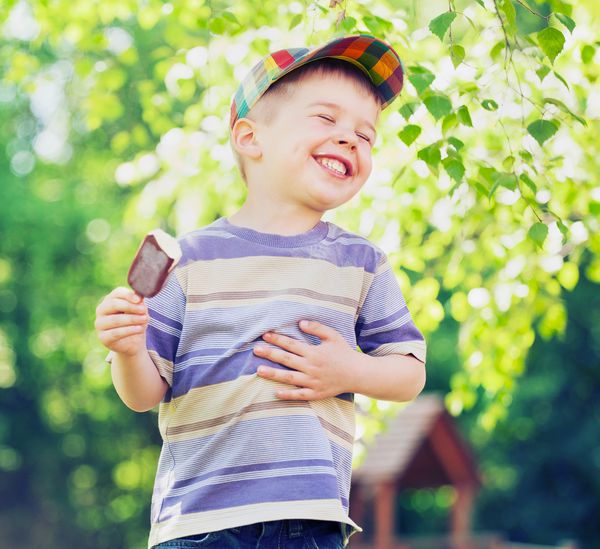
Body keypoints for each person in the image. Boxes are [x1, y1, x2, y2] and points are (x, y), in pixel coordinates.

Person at [95, 34, 427, 549]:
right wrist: (128, 347)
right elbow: (142, 395)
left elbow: (409, 372)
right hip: (198, 523)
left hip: (310, 518)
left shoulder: (362, 262)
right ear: (251, 138)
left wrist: (350, 371)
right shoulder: (188, 260)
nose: (350, 140)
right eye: (326, 119)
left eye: (366, 134)